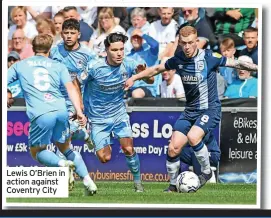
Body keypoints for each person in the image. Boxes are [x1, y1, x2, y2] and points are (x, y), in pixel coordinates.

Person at [124, 26, 258, 191]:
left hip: (209, 109)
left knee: (194, 137)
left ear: (196, 42)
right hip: (190, 111)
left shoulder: (209, 57)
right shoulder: (178, 58)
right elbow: (157, 69)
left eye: (190, 43)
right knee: (173, 147)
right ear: (179, 42)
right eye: (183, 43)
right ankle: (173, 186)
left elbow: (236, 62)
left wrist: (260, 68)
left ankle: (207, 172)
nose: (187, 47)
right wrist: (135, 78)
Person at [7, 34, 97, 196]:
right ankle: (88, 181)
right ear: (50, 49)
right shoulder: (58, 65)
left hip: (41, 112)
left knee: (37, 151)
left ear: (33, 49)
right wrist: (79, 111)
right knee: (65, 147)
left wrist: (7, 93)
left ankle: (62, 165)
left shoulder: (20, 65)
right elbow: (71, 88)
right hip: (61, 110)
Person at [81, 33, 152, 192]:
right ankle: (98, 140)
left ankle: (138, 184)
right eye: (114, 50)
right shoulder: (94, 67)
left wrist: (142, 74)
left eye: (121, 49)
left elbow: (151, 79)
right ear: (107, 50)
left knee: (128, 148)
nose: (119, 53)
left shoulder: (129, 64)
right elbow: (77, 83)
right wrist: (79, 108)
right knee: (105, 158)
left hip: (119, 114)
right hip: (98, 118)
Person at [50, 19, 97, 149]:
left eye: (72, 32)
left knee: (65, 135)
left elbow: (96, 76)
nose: (69, 36)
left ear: (79, 35)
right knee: (57, 132)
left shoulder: (89, 54)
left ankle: (64, 167)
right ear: (61, 34)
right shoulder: (54, 51)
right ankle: (84, 135)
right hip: (57, 98)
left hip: (77, 99)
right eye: (66, 33)